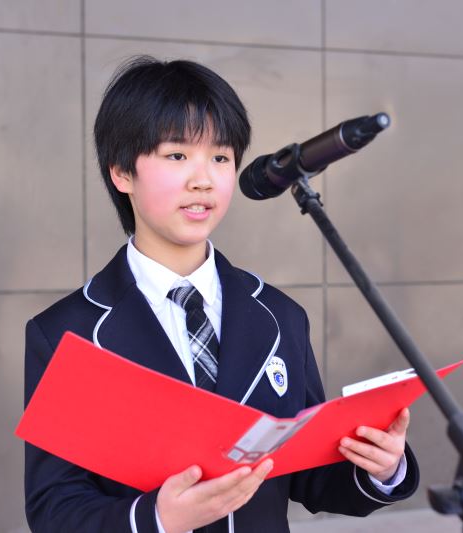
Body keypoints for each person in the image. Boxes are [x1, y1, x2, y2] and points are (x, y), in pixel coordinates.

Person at [24, 55, 419, 533]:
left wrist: (381, 465)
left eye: (221, 157)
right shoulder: (66, 333)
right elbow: (55, 508)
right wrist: (157, 519)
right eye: (177, 156)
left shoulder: (279, 315)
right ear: (122, 172)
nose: (203, 179)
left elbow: (308, 476)